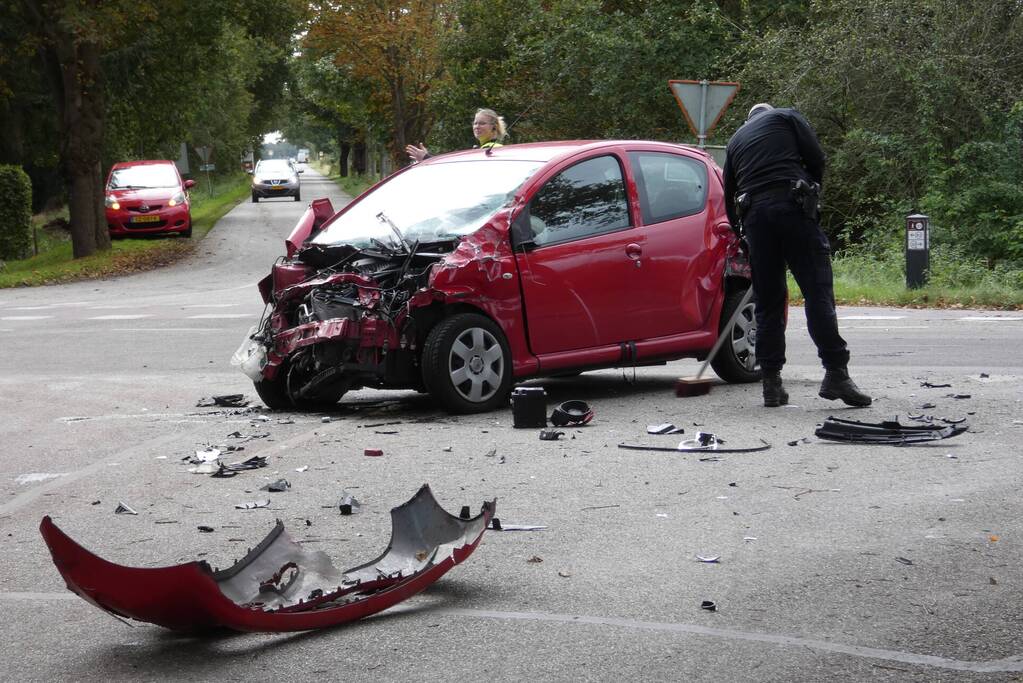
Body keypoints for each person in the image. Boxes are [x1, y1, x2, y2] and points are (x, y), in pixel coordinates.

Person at [722, 103, 871, 408]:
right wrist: (813, 194)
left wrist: (742, 235)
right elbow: (816, 157)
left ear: (749, 120)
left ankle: (771, 383)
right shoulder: (786, 116)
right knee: (817, 293)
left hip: (755, 218)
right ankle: (836, 373)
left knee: (768, 303)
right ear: (769, 113)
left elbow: (728, 194)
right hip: (791, 204)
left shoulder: (735, 140)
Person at [405, 108, 507, 163]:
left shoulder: (491, 149)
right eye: (475, 123)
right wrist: (428, 158)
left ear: (494, 127)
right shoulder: (486, 148)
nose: (477, 126)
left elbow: (458, 170)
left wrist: (427, 158)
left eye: (482, 123)